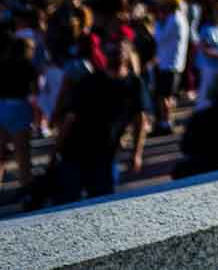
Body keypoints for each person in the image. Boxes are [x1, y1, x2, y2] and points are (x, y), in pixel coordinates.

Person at [51, 39, 145, 201]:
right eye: (110, 53)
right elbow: (70, 119)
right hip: (76, 152)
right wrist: (57, 149)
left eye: (117, 52)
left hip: (106, 157)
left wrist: (137, 153)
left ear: (128, 56)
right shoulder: (90, 82)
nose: (113, 56)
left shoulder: (134, 84)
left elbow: (140, 120)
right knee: (66, 205)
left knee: (102, 205)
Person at [0, 33, 39, 191]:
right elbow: (35, 91)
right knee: (22, 154)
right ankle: (26, 190)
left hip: (1, 106)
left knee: (0, 153)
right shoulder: (29, 67)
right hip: (19, 107)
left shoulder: (2, 65)